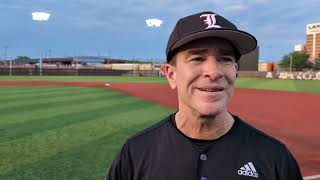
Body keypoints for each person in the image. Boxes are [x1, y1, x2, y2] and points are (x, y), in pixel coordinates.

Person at [106, 11, 303, 180]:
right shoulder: (135, 153)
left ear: (235, 71)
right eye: (197, 58)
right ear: (171, 74)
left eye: (225, 59)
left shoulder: (276, 158)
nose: (214, 71)